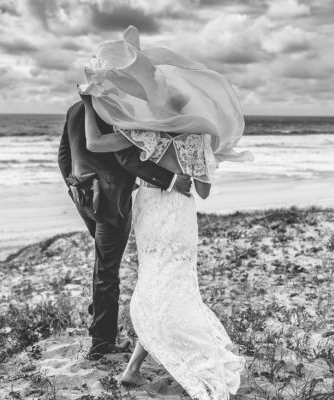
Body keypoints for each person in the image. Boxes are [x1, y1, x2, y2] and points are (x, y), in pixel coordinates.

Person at [78, 26, 251, 400]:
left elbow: (93, 142)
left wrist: (91, 102)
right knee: (178, 283)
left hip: (150, 213)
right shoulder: (197, 139)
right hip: (179, 216)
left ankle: (132, 368)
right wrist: (198, 163)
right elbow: (202, 192)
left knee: (153, 281)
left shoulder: (144, 134)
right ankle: (141, 363)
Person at [58, 98, 193, 360]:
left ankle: (100, 318)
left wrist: (72, 184)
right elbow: (126, 158)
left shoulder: (76, 108)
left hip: (83, 195)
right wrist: (171, 180)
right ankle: (102, 342)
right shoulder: (114, 109)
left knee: (103, 261)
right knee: (108, 269)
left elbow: (64, 153)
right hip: (110, 202)